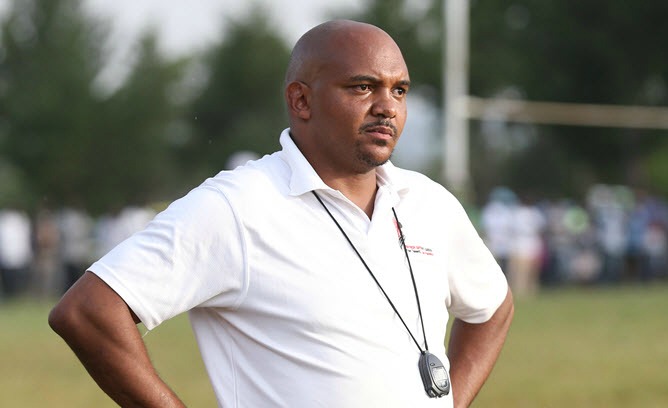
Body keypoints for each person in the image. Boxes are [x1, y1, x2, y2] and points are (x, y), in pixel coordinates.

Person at [49, 20, 513, 408]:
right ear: (301, 100)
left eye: (399, 89)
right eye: (362, 86)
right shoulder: (237, 205)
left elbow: (492, 307)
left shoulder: (428, 201)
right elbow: (88, 312)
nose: (386, 106)